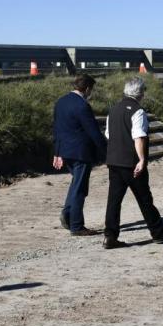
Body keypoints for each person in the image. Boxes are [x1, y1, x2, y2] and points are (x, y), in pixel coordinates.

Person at [101, 77, 163, 249]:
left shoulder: (113, 109)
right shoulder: (138, 111)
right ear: (141, 93)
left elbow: (109, 134)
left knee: (114, 201)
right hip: (131, 162)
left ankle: (110, 235)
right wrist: (142, 159)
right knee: (144, 198)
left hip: (114, 161)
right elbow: (138, 136)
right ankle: (158, 232)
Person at [52, 74, 107, 236]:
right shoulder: (82, 106)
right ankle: (76, 225)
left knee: (76, 185)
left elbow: (56, 129)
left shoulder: (61, 102)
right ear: (87, 88)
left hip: (65, 151)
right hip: (81, 152)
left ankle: (68, 215)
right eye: (91, 89)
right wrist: (107, 150)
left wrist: (57, 152)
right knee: (80, 189)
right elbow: (94, 132)